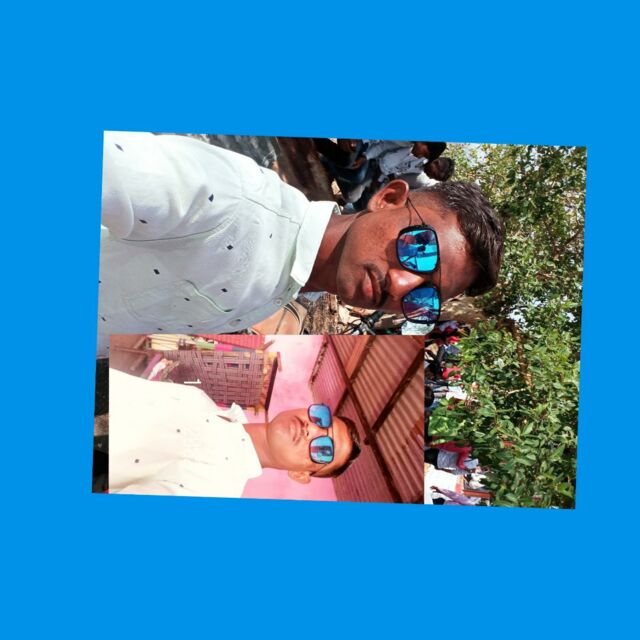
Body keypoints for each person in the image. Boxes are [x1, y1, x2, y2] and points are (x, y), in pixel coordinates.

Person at [98, 132, 504, 355]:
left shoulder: (283, 292)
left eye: (425, 297)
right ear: (387, 198)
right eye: (419, 250)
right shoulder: (232, 198)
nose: (401, 286)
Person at [108, 368, 361, 497]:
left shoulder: (212, 489)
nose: (312, 428)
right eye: (321, 418)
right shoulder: (201, 399)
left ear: (300, 475)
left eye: (323, 449)